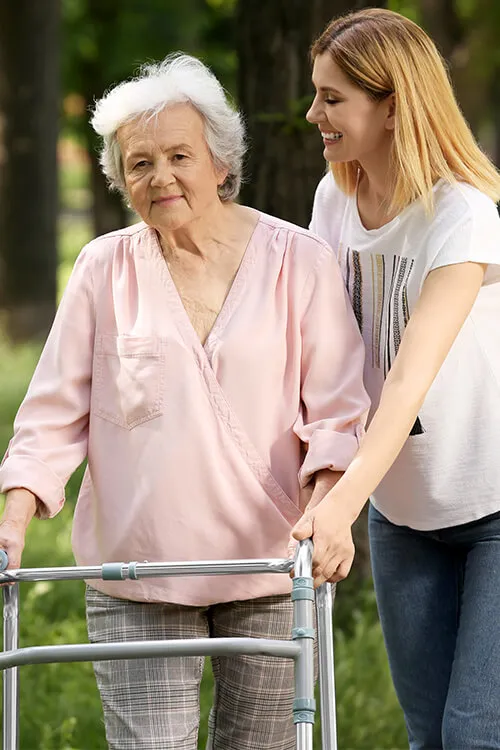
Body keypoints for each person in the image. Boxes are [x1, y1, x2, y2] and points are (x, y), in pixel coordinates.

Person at [0, 54, 369, 750]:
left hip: (267, 569)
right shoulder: (103, 268)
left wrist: (327, 508)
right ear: (119, 180)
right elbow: (52, 413)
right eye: (139, 164)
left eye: (179, 156)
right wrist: (13, 519)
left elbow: (338, 414)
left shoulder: (300, 260)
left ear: (221, 163)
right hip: (138, 573)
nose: (160, 176)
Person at [291, 8, 500, 750]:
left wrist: (341, 503)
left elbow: (409, 378)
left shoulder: (463, 216)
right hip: (404, 510)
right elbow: (316, 354)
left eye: (332, 97)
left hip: (491, 507)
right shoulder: (333, 201)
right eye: (315, 93)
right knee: (427, 737)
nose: (313, 112)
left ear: (391, 106)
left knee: (473, 734)